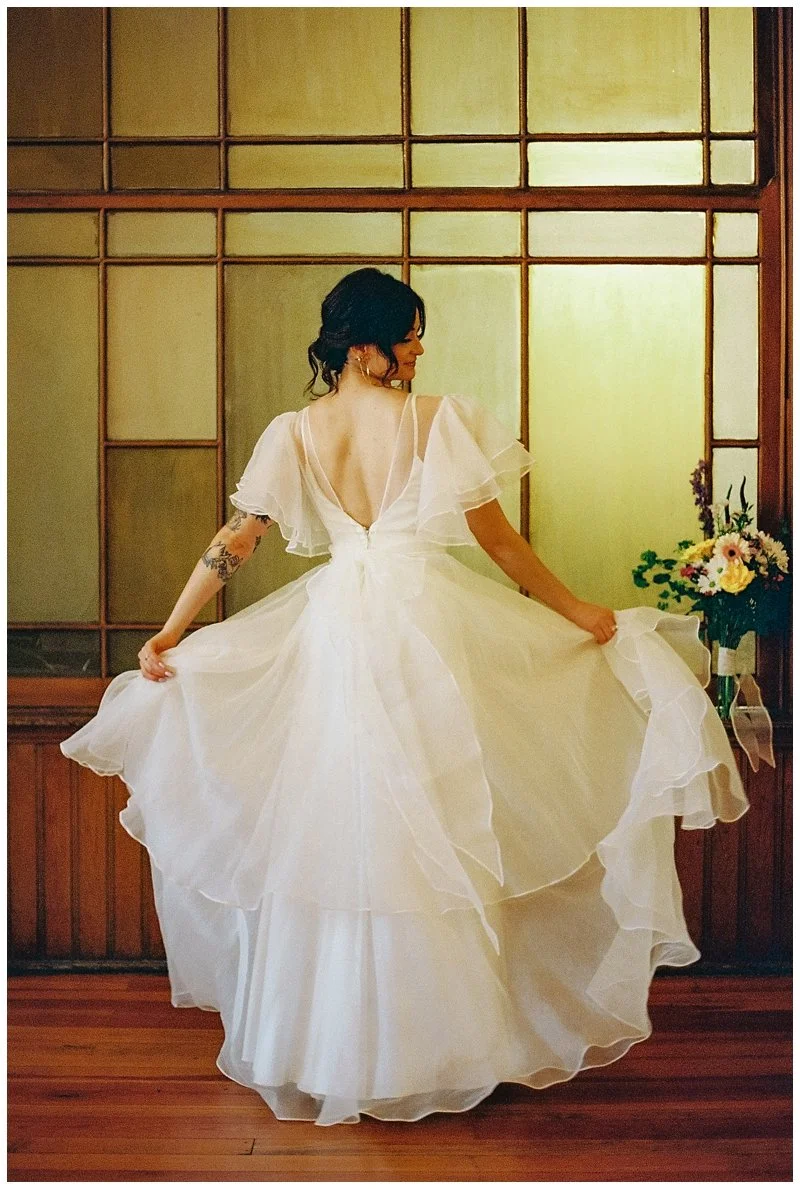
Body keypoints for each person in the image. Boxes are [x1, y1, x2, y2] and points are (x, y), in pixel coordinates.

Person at [61, 266, 749, 1128]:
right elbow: (496, 541)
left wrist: (170, 630)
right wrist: (578, 612)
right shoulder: (437, 421)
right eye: (411, 334)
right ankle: (439, 1043)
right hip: (422, 633)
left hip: (336, 635)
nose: (421, 349)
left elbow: (238, 539)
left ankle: (328, 1045)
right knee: (426, 821)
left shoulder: (295, 432)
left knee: (345, 824)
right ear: (366, 346)